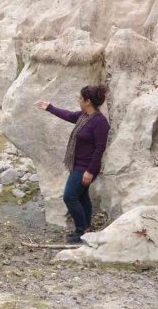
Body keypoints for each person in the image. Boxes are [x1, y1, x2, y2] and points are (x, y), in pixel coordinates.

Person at [36, 85, 110, 244]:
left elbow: (100, 149)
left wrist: (90, 171)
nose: (79, 101)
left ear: (88, 101)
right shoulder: (85, 116)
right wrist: (50, 108)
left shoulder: (100, 122)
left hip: (86, 167)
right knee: (82, 196)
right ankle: (87, 228)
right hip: (78, 164)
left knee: (69, 196)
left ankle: (80, 230)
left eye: (80, 99)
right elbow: (69, 115)